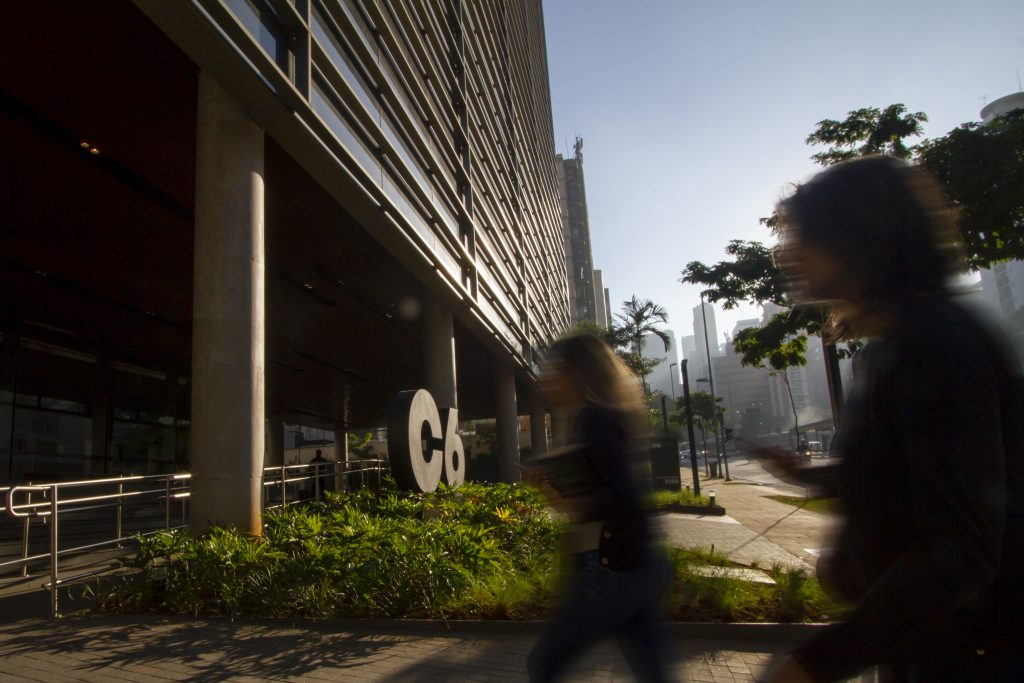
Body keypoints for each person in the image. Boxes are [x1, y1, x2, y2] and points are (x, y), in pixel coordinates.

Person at [756, 156, 1024, 682]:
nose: (789, 254)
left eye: (806, 237)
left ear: (859, 241)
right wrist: (805, 476)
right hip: (925, 646)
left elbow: (959, 549)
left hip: (975, 655)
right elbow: (908, 469)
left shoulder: (938, 343)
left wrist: (810, 665)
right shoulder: (892, 348)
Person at [526, 333, 671, 683]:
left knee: (544, 665)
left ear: (575, 374)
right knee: (654, 674)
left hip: (613, 568)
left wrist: (558, 496)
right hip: (641, 563)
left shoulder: (595, 419)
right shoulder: (599, 419)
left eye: (553, 370)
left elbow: (618, 497)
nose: (545, 379)